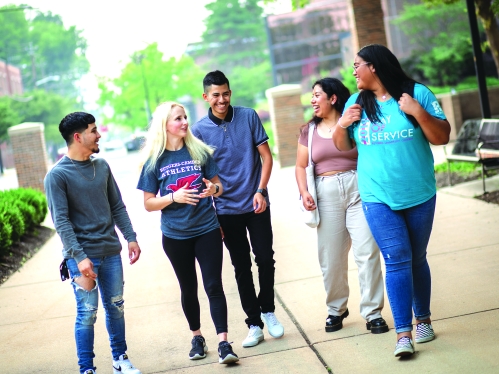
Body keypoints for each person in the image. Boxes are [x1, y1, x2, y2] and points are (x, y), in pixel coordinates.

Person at [333, 44, 450, 358]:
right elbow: (342, 145)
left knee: (416, 257)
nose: (353, 71)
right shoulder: (357, 102)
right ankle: (403, 334)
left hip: (419, 192)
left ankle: (422, 319)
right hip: (376, 195)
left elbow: (441, 137)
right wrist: (343, 123)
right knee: (397, 257)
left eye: (358, 65)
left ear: (374, 66)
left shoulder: (416, 94)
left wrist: (418, 112)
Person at [136, 102, 239, 364]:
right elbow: (148, 203)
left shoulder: (199, 151)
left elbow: (219, 186)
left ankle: (224, 343)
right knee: (188, 287)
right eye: (178, 119)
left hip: (207, 228)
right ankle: (197, 337)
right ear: (165, 125)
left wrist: (212, 190)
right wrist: (173, 196)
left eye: (185, 117)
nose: (184, 122)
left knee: (213, 285)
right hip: (175, 235)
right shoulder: (154, 160)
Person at [191, 70, 284, 348]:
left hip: (256, 202)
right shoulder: (198, 131)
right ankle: (254, 323)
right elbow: (202, 178)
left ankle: (268, 310)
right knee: (241, 266)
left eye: (226, 93)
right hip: (225, 210)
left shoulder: (248, 116)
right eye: (216, 95)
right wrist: (213, 215)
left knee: (265, 257)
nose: (222, 99)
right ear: (206, 97)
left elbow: (266, 158)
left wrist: (261, 190)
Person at [44, 112, 142, 374]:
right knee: (87, 313)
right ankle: (86, 368)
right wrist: (78, 256)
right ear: (78, 137)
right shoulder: (57, 175)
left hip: (110, 252)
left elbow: (117, 206)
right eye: (93, 130)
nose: (99, 135)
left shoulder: (102, 166)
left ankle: (120, 360)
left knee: (116, 306)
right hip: (82, 258)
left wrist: (130, 237)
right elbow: (61, 221)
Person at [296, 77, 389, 335]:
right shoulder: (309, 131)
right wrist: (304, 191)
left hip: (359, 188)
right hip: (325, 194)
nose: (312, 100)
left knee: (367, 252)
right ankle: (336, 309)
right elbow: (301, 165)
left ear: (333, 98)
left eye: (317, 95)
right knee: (331, 257)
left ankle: (372, 313)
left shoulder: (355, 122)